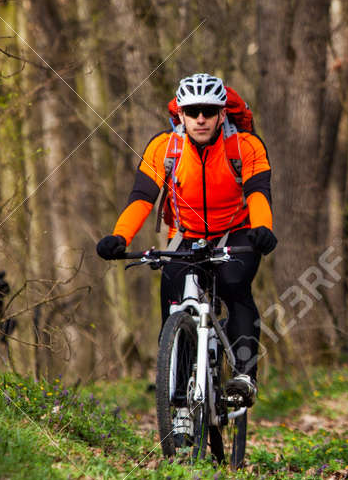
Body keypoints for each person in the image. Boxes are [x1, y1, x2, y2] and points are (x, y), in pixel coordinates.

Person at [96, 72, 275, 410]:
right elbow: (141, 197)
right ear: (180, 114)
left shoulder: (244, 146)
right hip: (189, 233)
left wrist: (263, 227)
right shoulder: (166, 147)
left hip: (237, 231)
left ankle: (244, 375)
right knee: (172, 295)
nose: (201, 119)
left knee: (235, 284)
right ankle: (177, 393)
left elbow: (258, 193)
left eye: (209, 110)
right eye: (193, 112)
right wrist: (119, 236)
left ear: (223, 113)